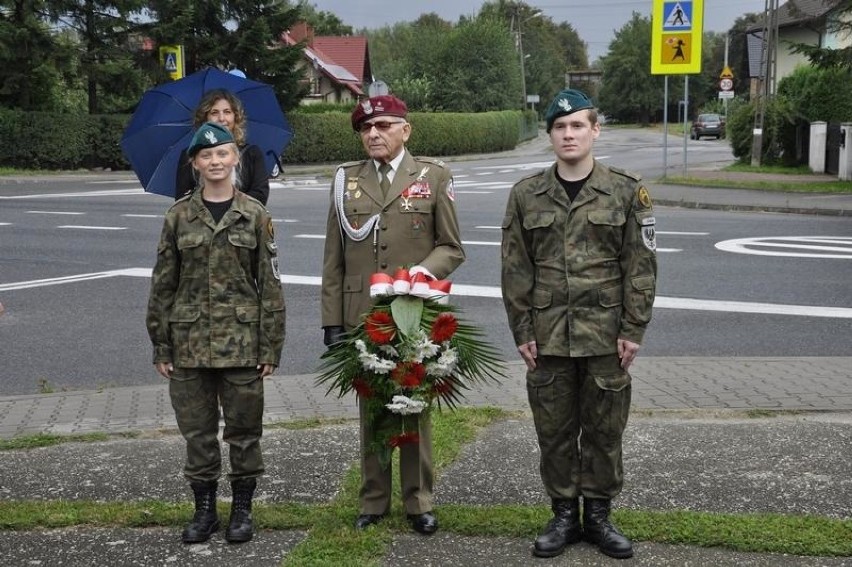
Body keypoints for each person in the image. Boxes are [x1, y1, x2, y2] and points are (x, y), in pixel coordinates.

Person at [500, 89, 657, 560]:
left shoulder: (627, 190)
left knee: (606, 430)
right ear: (549, 135)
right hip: (546, 335)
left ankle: (601, 516)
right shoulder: (526, 194)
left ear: (595, 131)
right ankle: (565, 515)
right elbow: (514, 269)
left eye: (577, 126)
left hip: (608, 335)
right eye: (559, 127)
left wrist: (634, 328)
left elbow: (641, 267)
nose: (568, 134)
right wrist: (522, 332)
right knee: (554, 430)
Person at [320, 95, 465, 534]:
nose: (373, 134)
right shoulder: (346, 180)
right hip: (362, 312)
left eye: (383, 125)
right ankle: (374, 500)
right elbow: (334, 257)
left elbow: (451, 247)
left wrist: (422, 273)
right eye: (366, 128)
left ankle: (419, 501)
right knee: (372, 406)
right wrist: (332, 320)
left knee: (414, 405)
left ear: (405, 130)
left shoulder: (432, 176)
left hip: (415, 312)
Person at [147, 121, 286, 544]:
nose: (215, 161)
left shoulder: (256, 215)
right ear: (195, 163)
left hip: (243, 344)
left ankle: (242, 510)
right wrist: (161, 344)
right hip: (188, 345)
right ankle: (204, 510)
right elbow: (162, 285)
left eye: (222, 153)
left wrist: (270, 346)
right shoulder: (178, 217)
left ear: (235, 159)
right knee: (198, 435)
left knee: (245, 432)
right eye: (206, 155)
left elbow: (271, 284)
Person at [174, 89, 271, 204]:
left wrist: (225, 206)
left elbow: (260, 195)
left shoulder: (252, 153)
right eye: (214, 113)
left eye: (227, 112)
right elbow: (182, 200)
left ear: (236, 117)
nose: (221, 118)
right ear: (205, 118)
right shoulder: (190, 155)